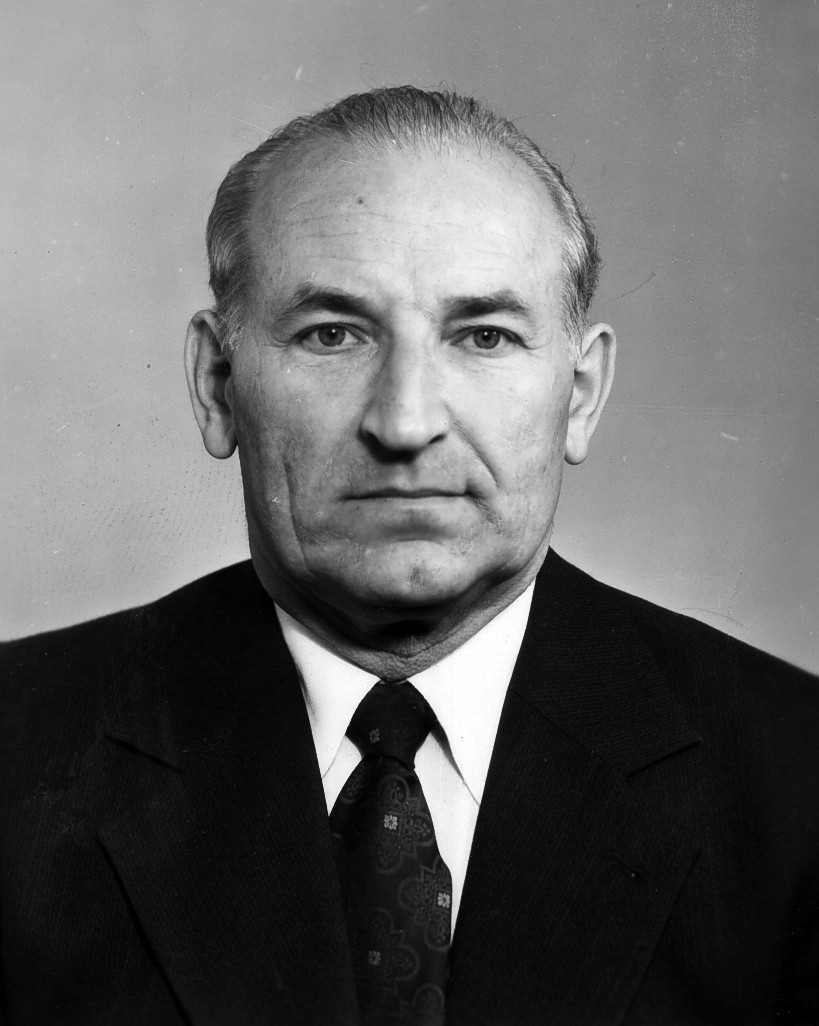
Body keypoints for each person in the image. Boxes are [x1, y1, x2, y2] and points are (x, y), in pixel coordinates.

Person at [1, 86, 817, 1026]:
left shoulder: (795, 781)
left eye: (483, 337)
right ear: (218, 385)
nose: (404, 421)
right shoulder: (20, 754)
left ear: (581, 395)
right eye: (333, 335)